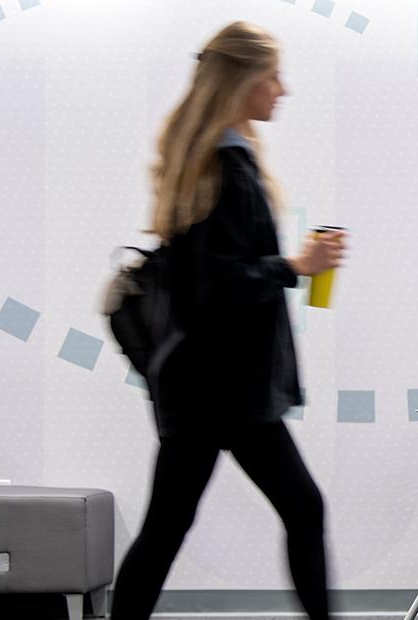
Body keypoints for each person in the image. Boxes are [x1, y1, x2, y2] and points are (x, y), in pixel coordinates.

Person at [112, 22, 345, 620]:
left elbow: (210, 276)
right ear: (243, 81)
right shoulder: (226, 165)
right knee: (300, 508)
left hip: (208, 386)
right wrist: (298, 264)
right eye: (272, 76)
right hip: (224, 388)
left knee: (169, 527)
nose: (282, 90)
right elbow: (214, 286)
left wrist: (292, 265)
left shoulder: (217, 160)